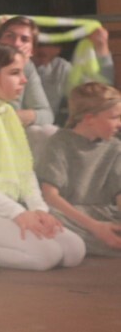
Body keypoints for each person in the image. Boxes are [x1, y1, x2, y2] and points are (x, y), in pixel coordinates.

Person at [0, 41, 85, 272]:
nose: (24, 80)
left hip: (8, 208)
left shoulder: (8, 114)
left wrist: (39, 209)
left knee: (74, 250)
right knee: (48, 254)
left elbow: (24, 170)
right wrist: (17, 212)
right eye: (14, 73)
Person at [36, 82, 121, 256]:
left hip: (102, 213)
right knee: (50, 217)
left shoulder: (115, 147)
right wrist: (95, 227)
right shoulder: (59, 143)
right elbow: (50, 196)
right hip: (68, 213)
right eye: (114, 117)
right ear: (89, 119)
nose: (119, 123)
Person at [0, 16, 55, 137]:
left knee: (46, 131)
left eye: (24, 39)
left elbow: (47, 115)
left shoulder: (27, 67)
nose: (16, 43)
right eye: (10, 36)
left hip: (11, 132)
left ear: (32, 51)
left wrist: (19, 116)